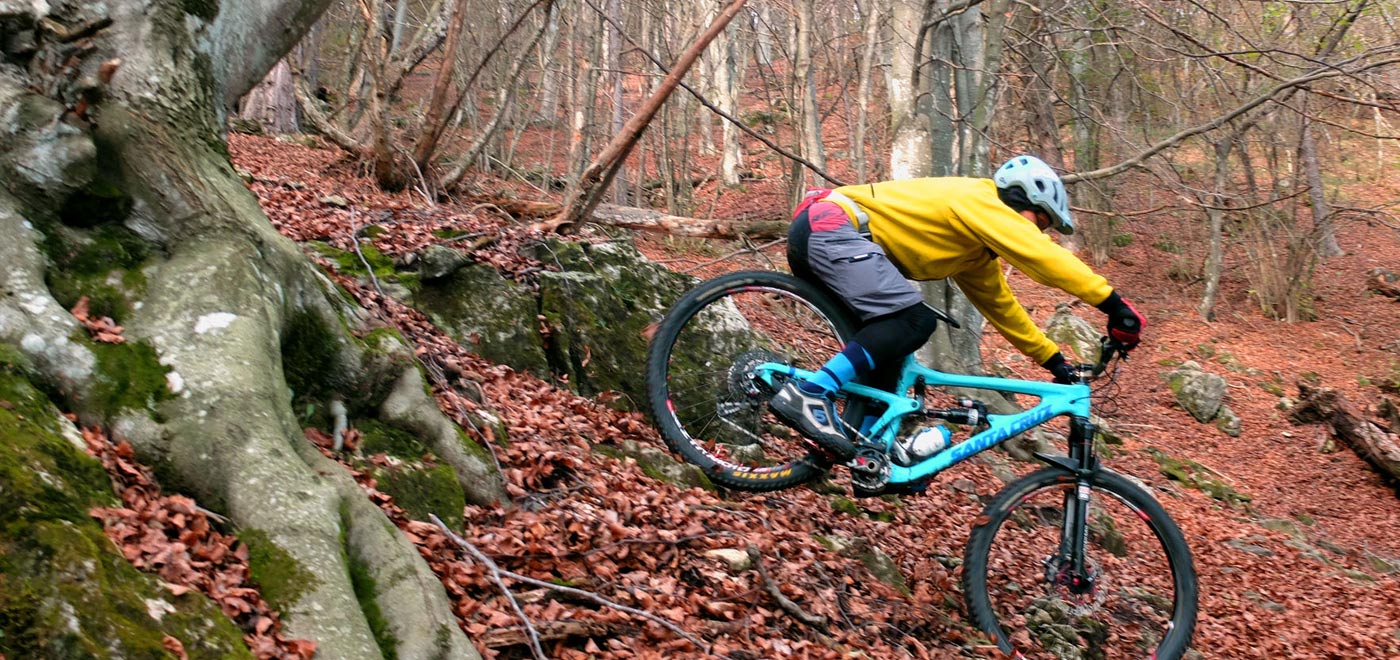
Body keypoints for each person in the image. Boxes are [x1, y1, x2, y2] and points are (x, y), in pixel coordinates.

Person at [770, 155, 1145, 461]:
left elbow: (1003, 309)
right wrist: (1114, 305)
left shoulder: (975, 254)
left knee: (891, 352)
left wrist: (1053, 361)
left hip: (829, 238)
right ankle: (811, 392)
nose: (1038, 233)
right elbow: (1043, 257)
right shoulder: (982, 200)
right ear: (1019, 199)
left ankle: (862, 449)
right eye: (1040, 221)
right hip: (832, 227)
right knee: (912, 320)